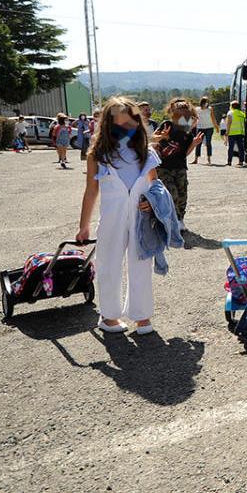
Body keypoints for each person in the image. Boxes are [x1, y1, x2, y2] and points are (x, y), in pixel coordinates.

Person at [76, 97, 163, 334]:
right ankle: (108, 316)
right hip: (111, 219)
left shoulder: (145, 152)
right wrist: (83, 226)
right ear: (108, 125)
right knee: (108, 264)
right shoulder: (97, 155)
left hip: (140, 220)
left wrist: (152, 203)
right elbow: (91, 191)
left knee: (141, 264)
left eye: (131, 124)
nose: (127, 129)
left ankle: (142, 316)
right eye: (121, 125)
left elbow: (155, 185)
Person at [154, 98, 203, 233]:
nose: (182, 117)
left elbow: (184, 153)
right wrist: (162, 137)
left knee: (182, 195)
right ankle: (172, 220)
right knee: (172, 193)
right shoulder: (166, 125)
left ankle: (180, 219)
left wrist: (194, 143)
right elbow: (152, 139)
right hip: (163, 167)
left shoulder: (187, 132)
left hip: (180, 167)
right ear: (172, 113)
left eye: (185, 114)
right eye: (178, 114)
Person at [192, 96, 217, 165]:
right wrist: (192, 126)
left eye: (208, 102)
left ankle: (209, 159)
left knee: (208, 143)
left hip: (209, 128)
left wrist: (216, 127)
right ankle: (196, 159)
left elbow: (213, 118)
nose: (207, 103)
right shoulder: (197, 109)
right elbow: (195, 119)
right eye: (206, 102)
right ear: (202, 102)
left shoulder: (210, 109)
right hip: (200, 128)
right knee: (198, 143)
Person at [225, 100, 246, 167]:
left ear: (232, 106)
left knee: (231, 147)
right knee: (241, 148)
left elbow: (229, 123)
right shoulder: (242, 114)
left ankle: (229, 161)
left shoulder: (230, 113)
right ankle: (241, 162)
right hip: (241, 133)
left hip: (232, 132)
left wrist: (227, 132)